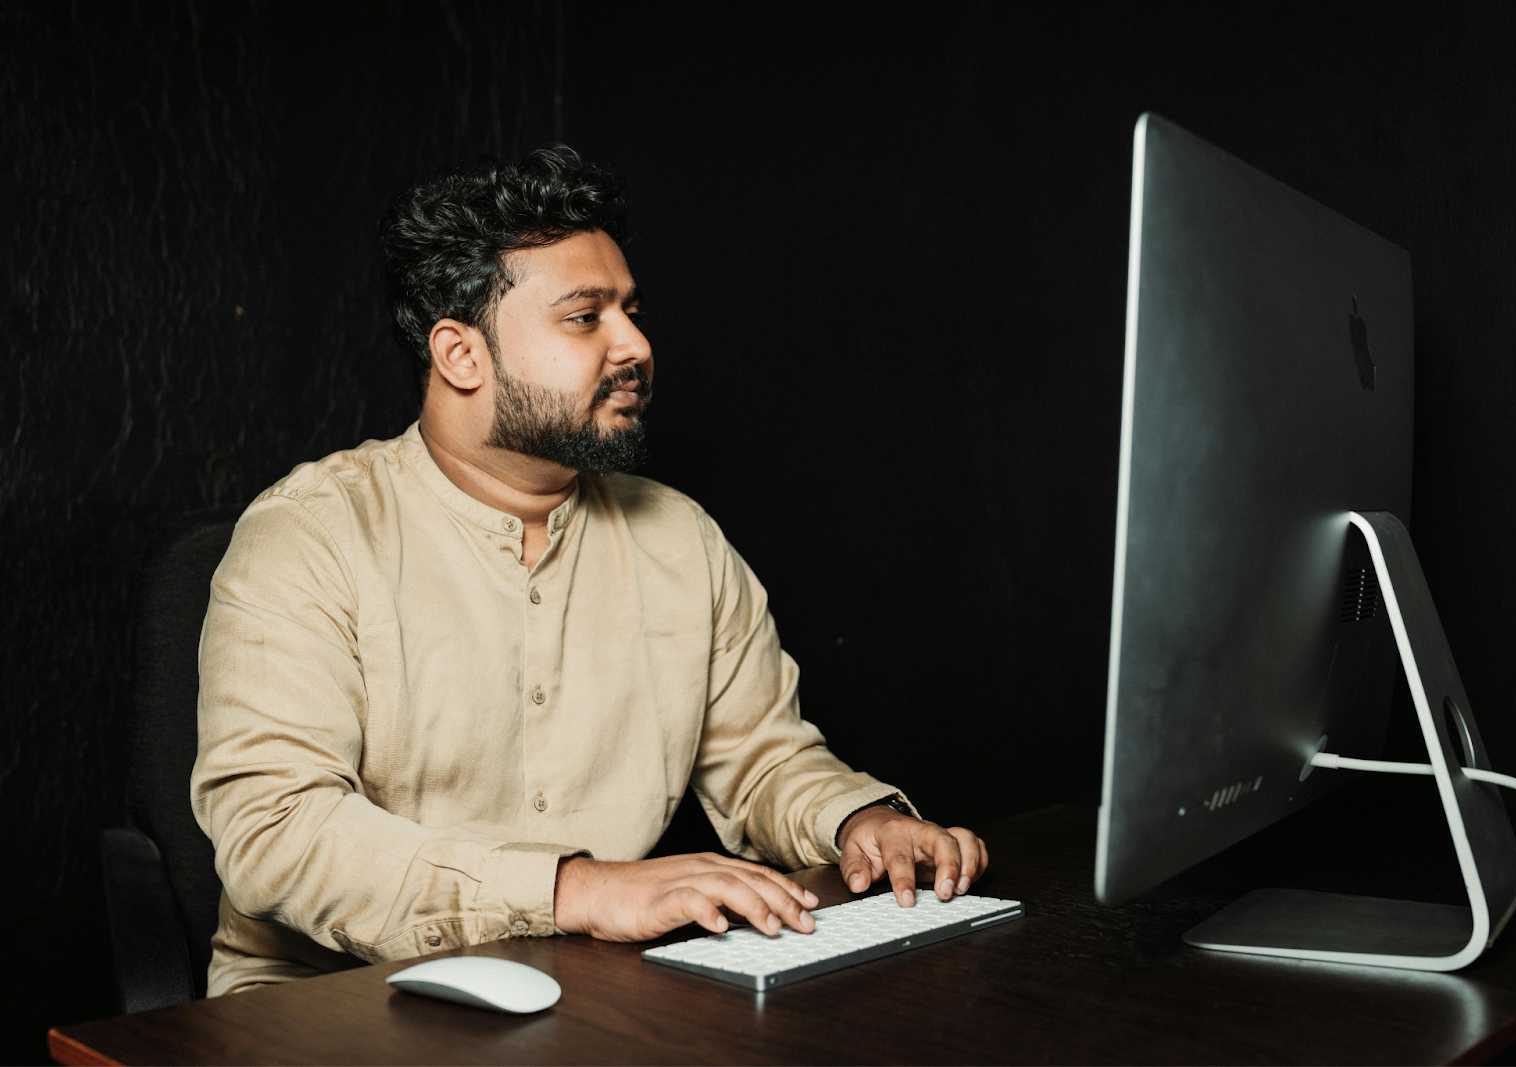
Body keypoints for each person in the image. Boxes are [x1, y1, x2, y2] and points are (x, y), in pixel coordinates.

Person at [190, 147, 990, 996]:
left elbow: (762, 760)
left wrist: (857, 820)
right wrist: (572, 887)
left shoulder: (680, 537)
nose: (636, 345)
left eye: (633, 311)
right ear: (461, 356)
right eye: (585, 317)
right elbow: (276, 831)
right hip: (330, 1007)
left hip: (587, 993)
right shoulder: (308, 536)